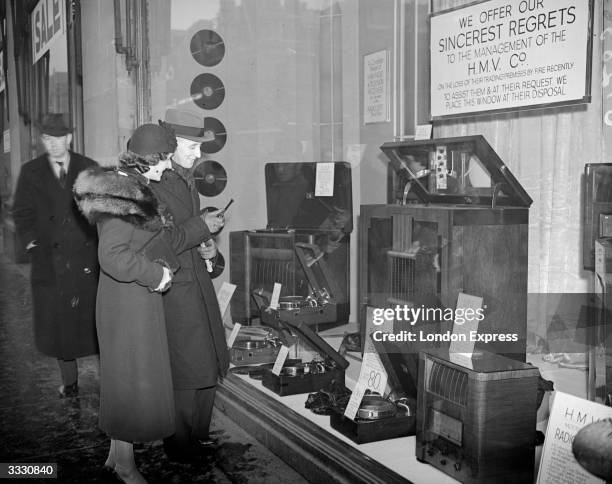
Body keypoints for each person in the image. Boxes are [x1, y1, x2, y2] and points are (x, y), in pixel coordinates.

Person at [73, 124, 178, 483]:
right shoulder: (124, 196)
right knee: (129, 381)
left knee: (125, 379)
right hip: (127, 300)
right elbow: (112, 255)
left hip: (128, 298)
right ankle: (125, 465)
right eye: (163, 161)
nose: (167, 168)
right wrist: (156, 275)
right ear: (146, 159)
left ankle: (118, 456)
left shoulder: (129, 187)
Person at [153, 108, 229, 461]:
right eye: (191, 146)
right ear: (170, 145)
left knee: (206, 363)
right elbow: (166, 240)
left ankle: (198, 434)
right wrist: (202, 226)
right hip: (177, 288)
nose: (198, 155)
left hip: (194, 281)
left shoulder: (185, 180)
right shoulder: (156, 184)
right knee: (186, 367)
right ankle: (179, 443)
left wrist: (210, 249)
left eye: (200, 147)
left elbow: (192, 233)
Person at [12, 113, 99, 398]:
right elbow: (21, 213)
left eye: (59, 138)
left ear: (69, 138)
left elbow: (102, 209)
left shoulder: (88, 168)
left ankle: (109, 382)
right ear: (43, 141)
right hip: (50, 261)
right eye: (48, 139)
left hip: (85, 261)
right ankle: (70, 381)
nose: (54, 144)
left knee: (93, 323)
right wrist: (31, 244)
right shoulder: (30, 171)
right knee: (60, 326)